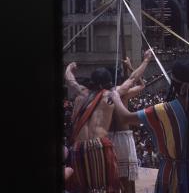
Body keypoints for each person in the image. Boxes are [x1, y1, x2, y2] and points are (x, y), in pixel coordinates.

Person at [111, 58, 189, 192]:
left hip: (171, 178)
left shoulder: (162, 111)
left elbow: (125, 117)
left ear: (173, 82)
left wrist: (116, 96)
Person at [65, 55, 151, 193]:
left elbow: (70, 80)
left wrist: (69, 67)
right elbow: (133, 78)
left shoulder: (82, 92)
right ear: (107, 83)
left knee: (82, 189)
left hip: (77, 147)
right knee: (105, 188)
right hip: (98, 146)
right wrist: (146, 60)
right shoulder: (111, 94)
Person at [108, 51, 152, 193]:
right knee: (127, 180)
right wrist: (142, 62)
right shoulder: (120, 92)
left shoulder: (100, 95)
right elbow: (140, 83)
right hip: (122, 138)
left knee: (113, 177)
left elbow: (139, 84)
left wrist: (129, 67)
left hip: (108, 138)